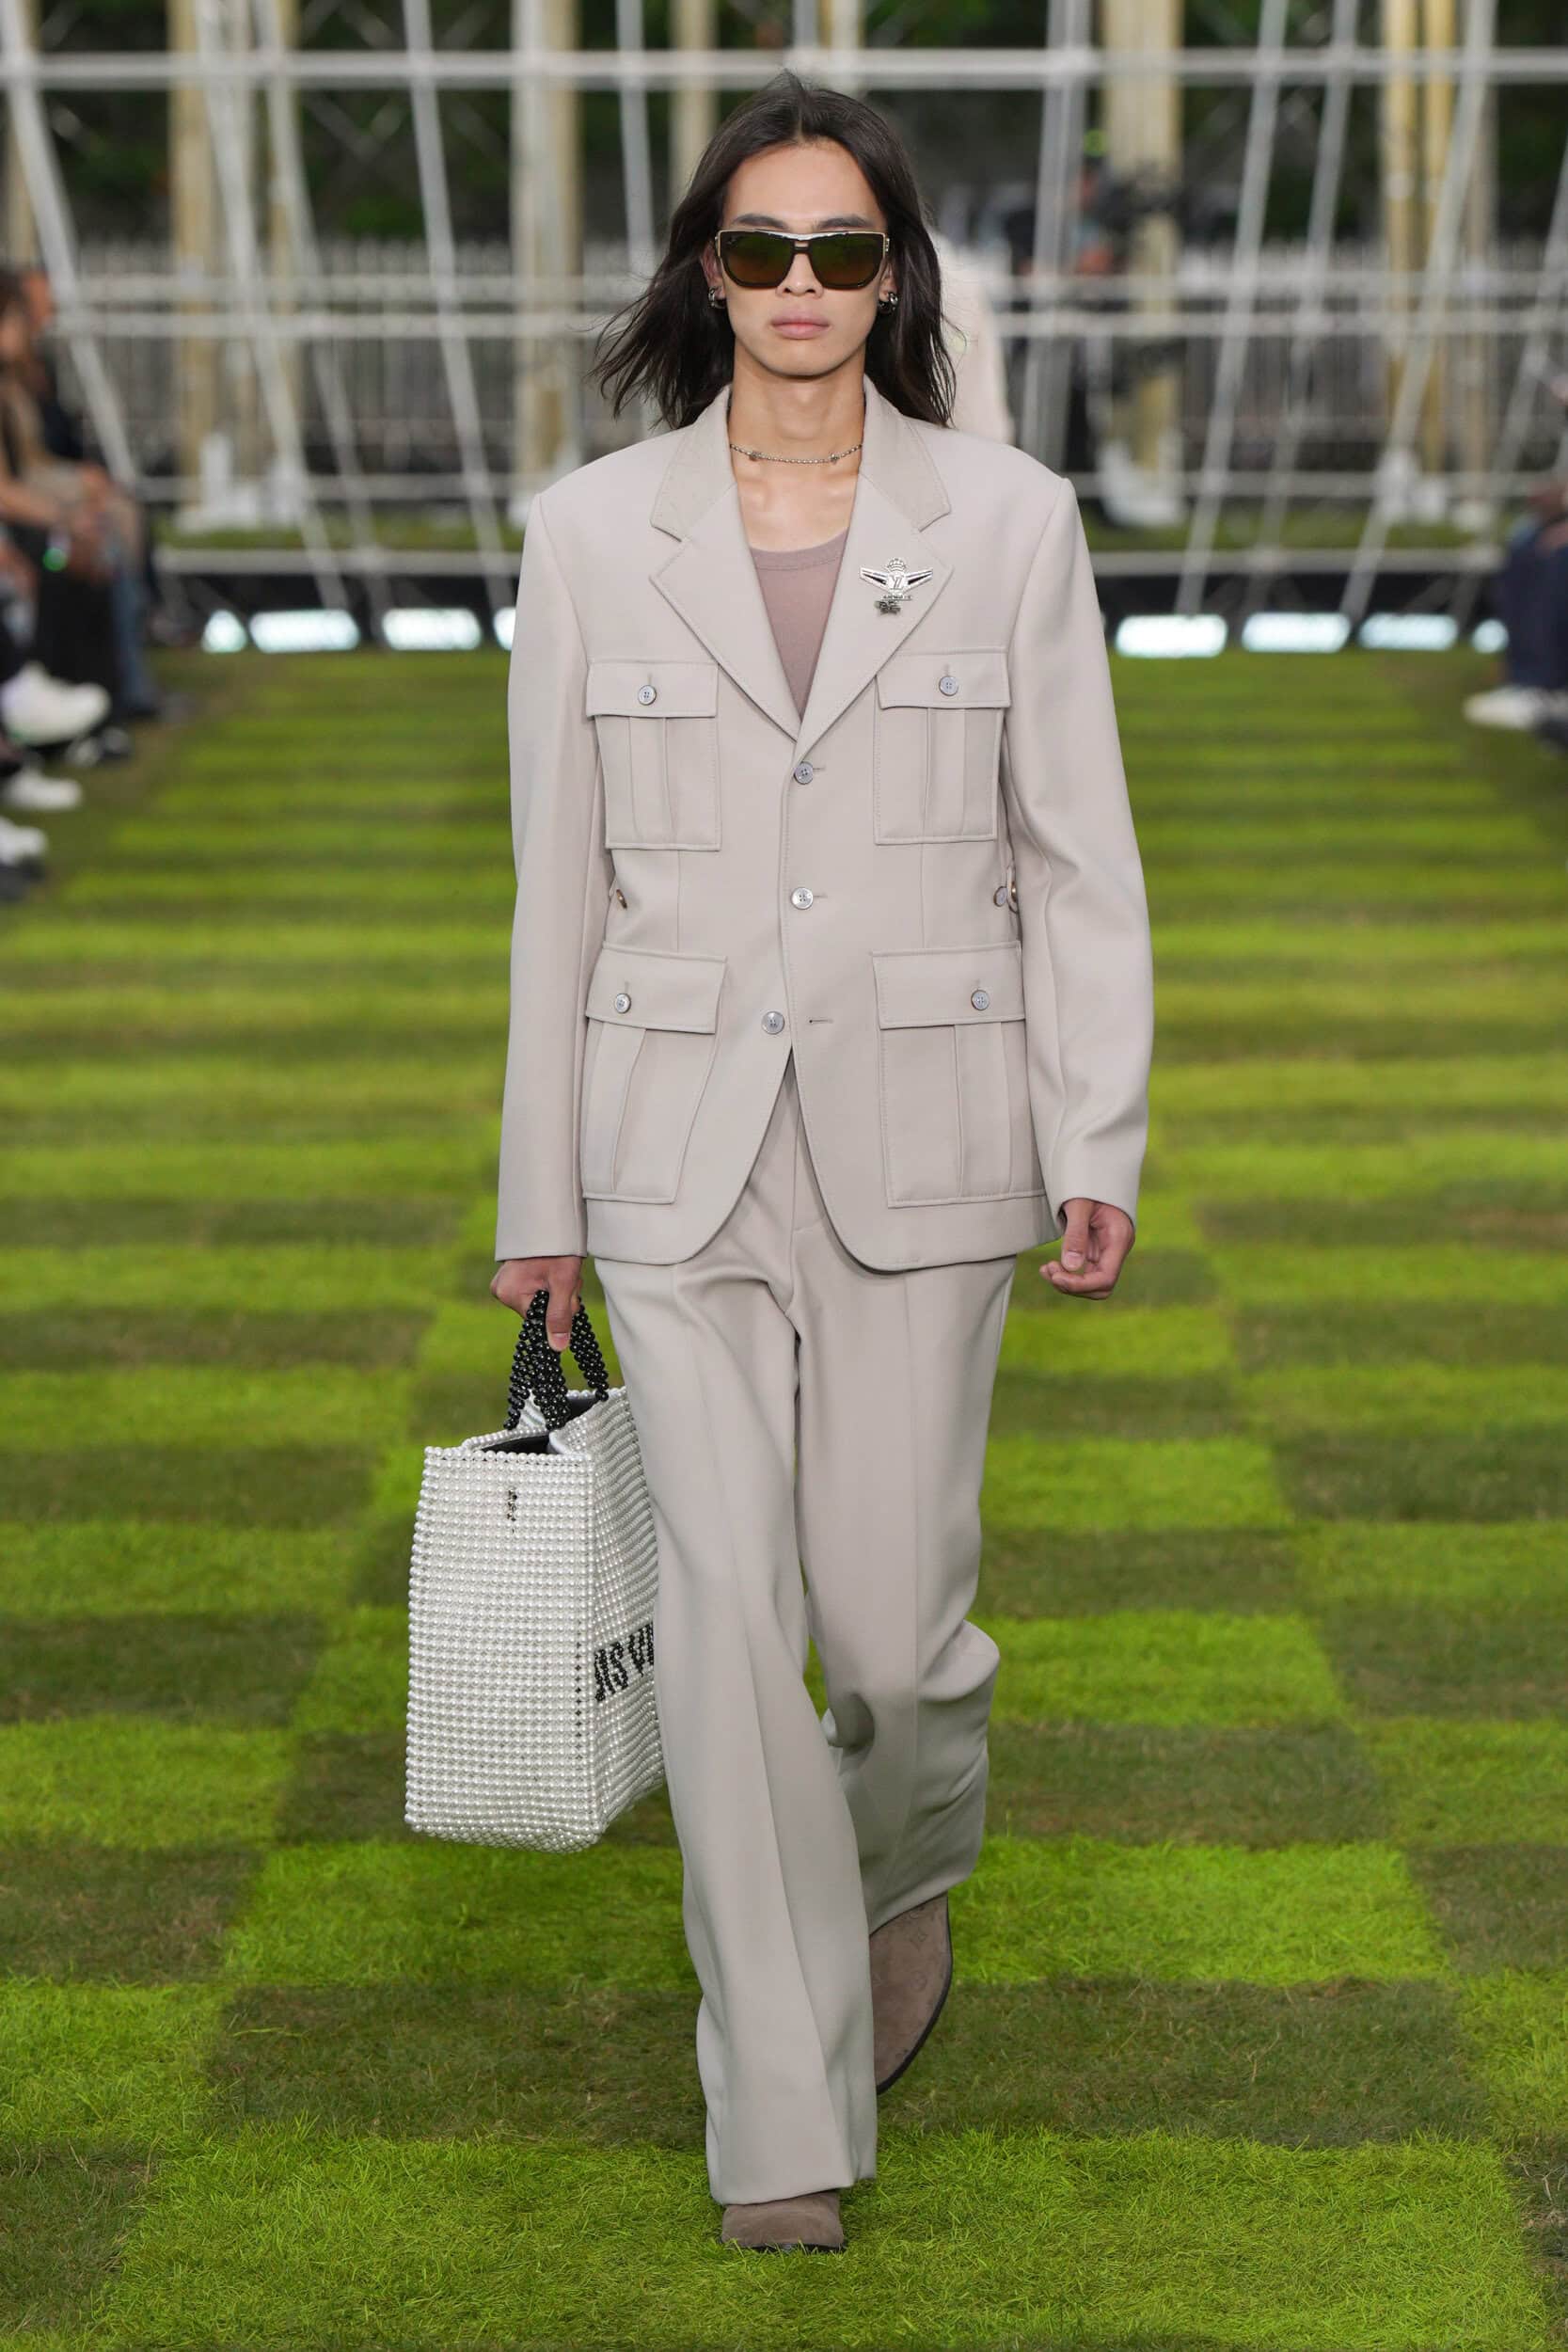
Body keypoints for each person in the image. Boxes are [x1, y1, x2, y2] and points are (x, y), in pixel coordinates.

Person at [489, 69, 1154, 2255]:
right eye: (761, 246)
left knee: (890, 1635)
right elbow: (559, 891)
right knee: (723, 1621)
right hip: (665, 1151)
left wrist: (1097, 1127)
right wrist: (538, 1202)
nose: (798, 283)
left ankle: (907, 1862)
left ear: (892, 278)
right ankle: (778, 2108)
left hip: (931, 1143)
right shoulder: (592, 535)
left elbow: (1077, 857)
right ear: (709, 270)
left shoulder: (1013, 522)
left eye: (840, 249)